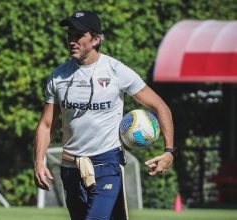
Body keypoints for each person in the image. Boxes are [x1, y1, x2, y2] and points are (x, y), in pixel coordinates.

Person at [34, 10, 175, 220]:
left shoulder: (117, 71)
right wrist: (38, 161)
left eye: (78, 35)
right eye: (69, 34)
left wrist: (169, 151)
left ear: (96, 39)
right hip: (70, 167)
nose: (72, 40)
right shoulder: (58, 76)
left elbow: (161, 107)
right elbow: (46, 125)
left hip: (107, 164)